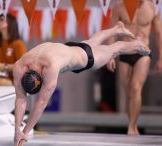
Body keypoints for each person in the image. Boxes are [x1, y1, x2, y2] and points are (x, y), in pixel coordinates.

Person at [13, 21, 150, 146]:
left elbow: (41, 103)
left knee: (114, 49)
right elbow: (20, 98)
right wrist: (16, 131)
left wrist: (24, 132)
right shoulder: (20, 65)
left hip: (85, 58)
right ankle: (116, 29)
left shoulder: (50, 67)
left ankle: (136, 44)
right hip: (69, 48)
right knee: (91, 42)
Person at [106, 0, 162, 135]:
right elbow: (111, 32)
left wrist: (161, 58)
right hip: (124, 53)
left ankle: (132, 127)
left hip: (143, 53)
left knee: (136, 88)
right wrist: (110, 56)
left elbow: (159, 34)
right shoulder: (119, 7)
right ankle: (131, 122)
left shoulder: (151, 8)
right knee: (128, 92)